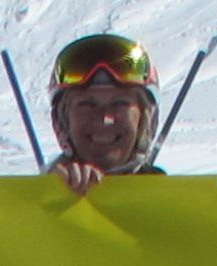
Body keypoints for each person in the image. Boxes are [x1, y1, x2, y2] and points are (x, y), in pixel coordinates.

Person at [39, 33, 167, 190]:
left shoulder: (178, 206)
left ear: (145, 119)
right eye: (87, 104)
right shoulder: (27, 207)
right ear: (62, 121)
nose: (105, 118)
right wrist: (45, 191)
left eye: (120, 103)